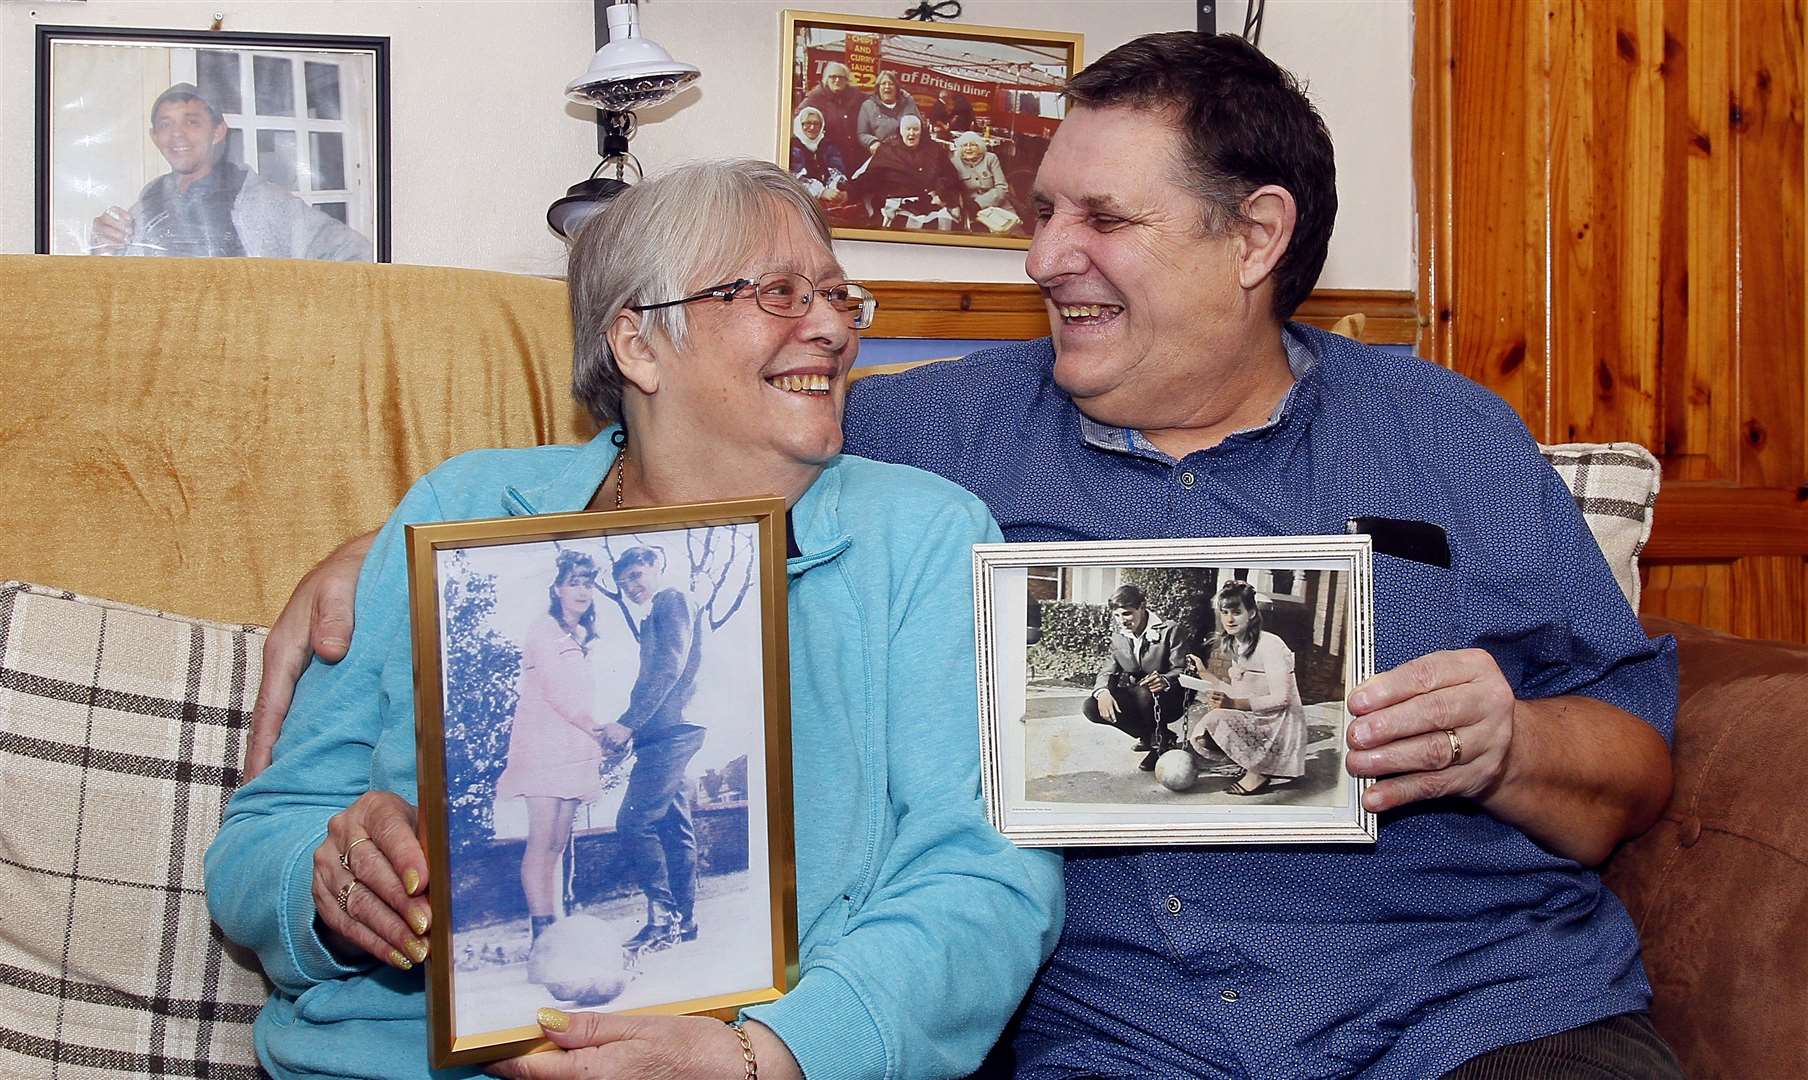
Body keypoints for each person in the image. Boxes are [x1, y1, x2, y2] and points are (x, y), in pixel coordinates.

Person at [246, 32, 1684, 1080]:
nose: (1045, 255)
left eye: (1101, 219)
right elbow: (705, 443)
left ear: (1255, 239)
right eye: (1041, 209)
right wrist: (399, 560)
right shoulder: (931, 439)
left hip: (1471, 1009)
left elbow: (1635, 769)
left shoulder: (1450, 436)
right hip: (1128, 1037)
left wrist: (1507, 741)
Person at [205, 158, 1062, 1080]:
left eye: (838, 295)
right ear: (638, 343)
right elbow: (262, 838)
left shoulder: (923, 535)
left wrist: (769, 1057)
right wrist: (327, 880)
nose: (829, 327)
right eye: (778, 292)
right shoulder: (462, 511)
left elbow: (983, 873)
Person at [89, 83, 371, 261]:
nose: (177, 135)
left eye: (191, 122)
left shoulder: (263, 202)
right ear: (154, 137)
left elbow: (355, 253)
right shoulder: (145, 206)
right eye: (165, 125)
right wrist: (105, 250)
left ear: (218, 131)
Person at [493, 550, 605, 954]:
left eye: (588, 583)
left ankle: (554, 927)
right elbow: (557, 691)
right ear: (557, 588)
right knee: (541, 842)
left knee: (558, 843)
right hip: (542, 745)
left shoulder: (581, 636)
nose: (582, 591)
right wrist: (596, 728)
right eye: (574, 582)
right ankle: (542, 934)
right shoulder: (543, 629)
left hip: (573, 747)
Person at [599, 545, 707, 954]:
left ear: (656, 567)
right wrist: (634, 732)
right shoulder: (663, 607)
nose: (631, 586)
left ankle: (663, 921)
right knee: (674, 826)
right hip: (669, 728)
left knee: (634, 822)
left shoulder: (672, 598)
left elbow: (668, 668)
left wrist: (628, 724)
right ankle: (686, 921)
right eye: (625, 581)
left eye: (637, 575)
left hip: (674, 728)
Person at [1181, 579, 1306, 796]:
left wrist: (1233, 704)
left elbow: (1282, 699)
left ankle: (1259, 771)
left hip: (1278, 721)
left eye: (1236, 612)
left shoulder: (1270, 645)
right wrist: (1203, 673)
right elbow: (1237, 692)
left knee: (1216, 720)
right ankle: (1251, 760)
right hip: (1259, 715)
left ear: (1251, 613)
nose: (1229, 619)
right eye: (1224, 612)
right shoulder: (1239, 644)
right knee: (1204, 733)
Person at [1082, 584, 1191, 771]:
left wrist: (1165, 680)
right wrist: (1103, 692)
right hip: (1140, 694)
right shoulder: (1119, 637)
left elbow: (1183, 669)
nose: (1121, 621)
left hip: (1171, 696)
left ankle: (1159, 745)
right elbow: (1108, 670)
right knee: (1091, 707)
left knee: (1143, 693)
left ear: (1143, 606)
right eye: (1116, 615)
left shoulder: (1170, 630)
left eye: (1127, 613)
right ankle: (1154, 735)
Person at [853, 114, 965, 229]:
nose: (912, 133)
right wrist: (849, 191)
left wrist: (942, 193)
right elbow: (869, 178)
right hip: (898, 204)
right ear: (901, 131)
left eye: (915, 129)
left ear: (921, 131)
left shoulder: (934, 148)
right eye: (908, 129)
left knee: (946, 225)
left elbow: (950, 175)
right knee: (904, 226)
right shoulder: (887, 150)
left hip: (933, 203)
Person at [798, 61, 865, 168]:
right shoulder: (815, 97)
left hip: (856, 157)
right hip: (830, 159)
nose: (837, 80)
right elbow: (798, 120)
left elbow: (875, 100)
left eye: (841, 77)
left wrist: (900, 95)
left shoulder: (855, 96)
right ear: (826, 79)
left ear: (847, 80)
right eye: (833, 77)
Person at [788, 107, 847, 207]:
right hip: (803, 200)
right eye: (807, 123)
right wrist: (821, 192)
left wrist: (836, 189)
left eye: (816, 124)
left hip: (830, 200)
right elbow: (793, 178)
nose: (812, 127)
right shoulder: (793, 147)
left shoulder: (828, 145)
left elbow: (837, 169)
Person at [855, 70, 920, 156]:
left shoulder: (908, 102)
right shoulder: (868, 106)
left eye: (891, 84)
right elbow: (862, 133)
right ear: (878, 88)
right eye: (883, 84)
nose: (887, 86)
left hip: (908, 153)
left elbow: (920, 125)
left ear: (897, 88)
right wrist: (872, 142)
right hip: (883, 153)